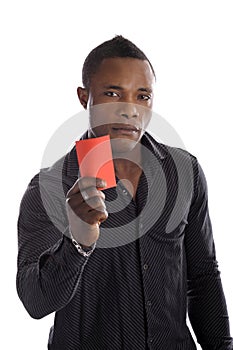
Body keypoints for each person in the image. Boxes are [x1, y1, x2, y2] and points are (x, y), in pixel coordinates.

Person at [16, 35, 233, 350]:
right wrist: (78, 243)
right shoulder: (48, 188)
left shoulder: (184, 170)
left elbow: (202, 277)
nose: (130, 110)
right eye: (112, 93)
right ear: (84, 97)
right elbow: (35, 302)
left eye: (142, 96)